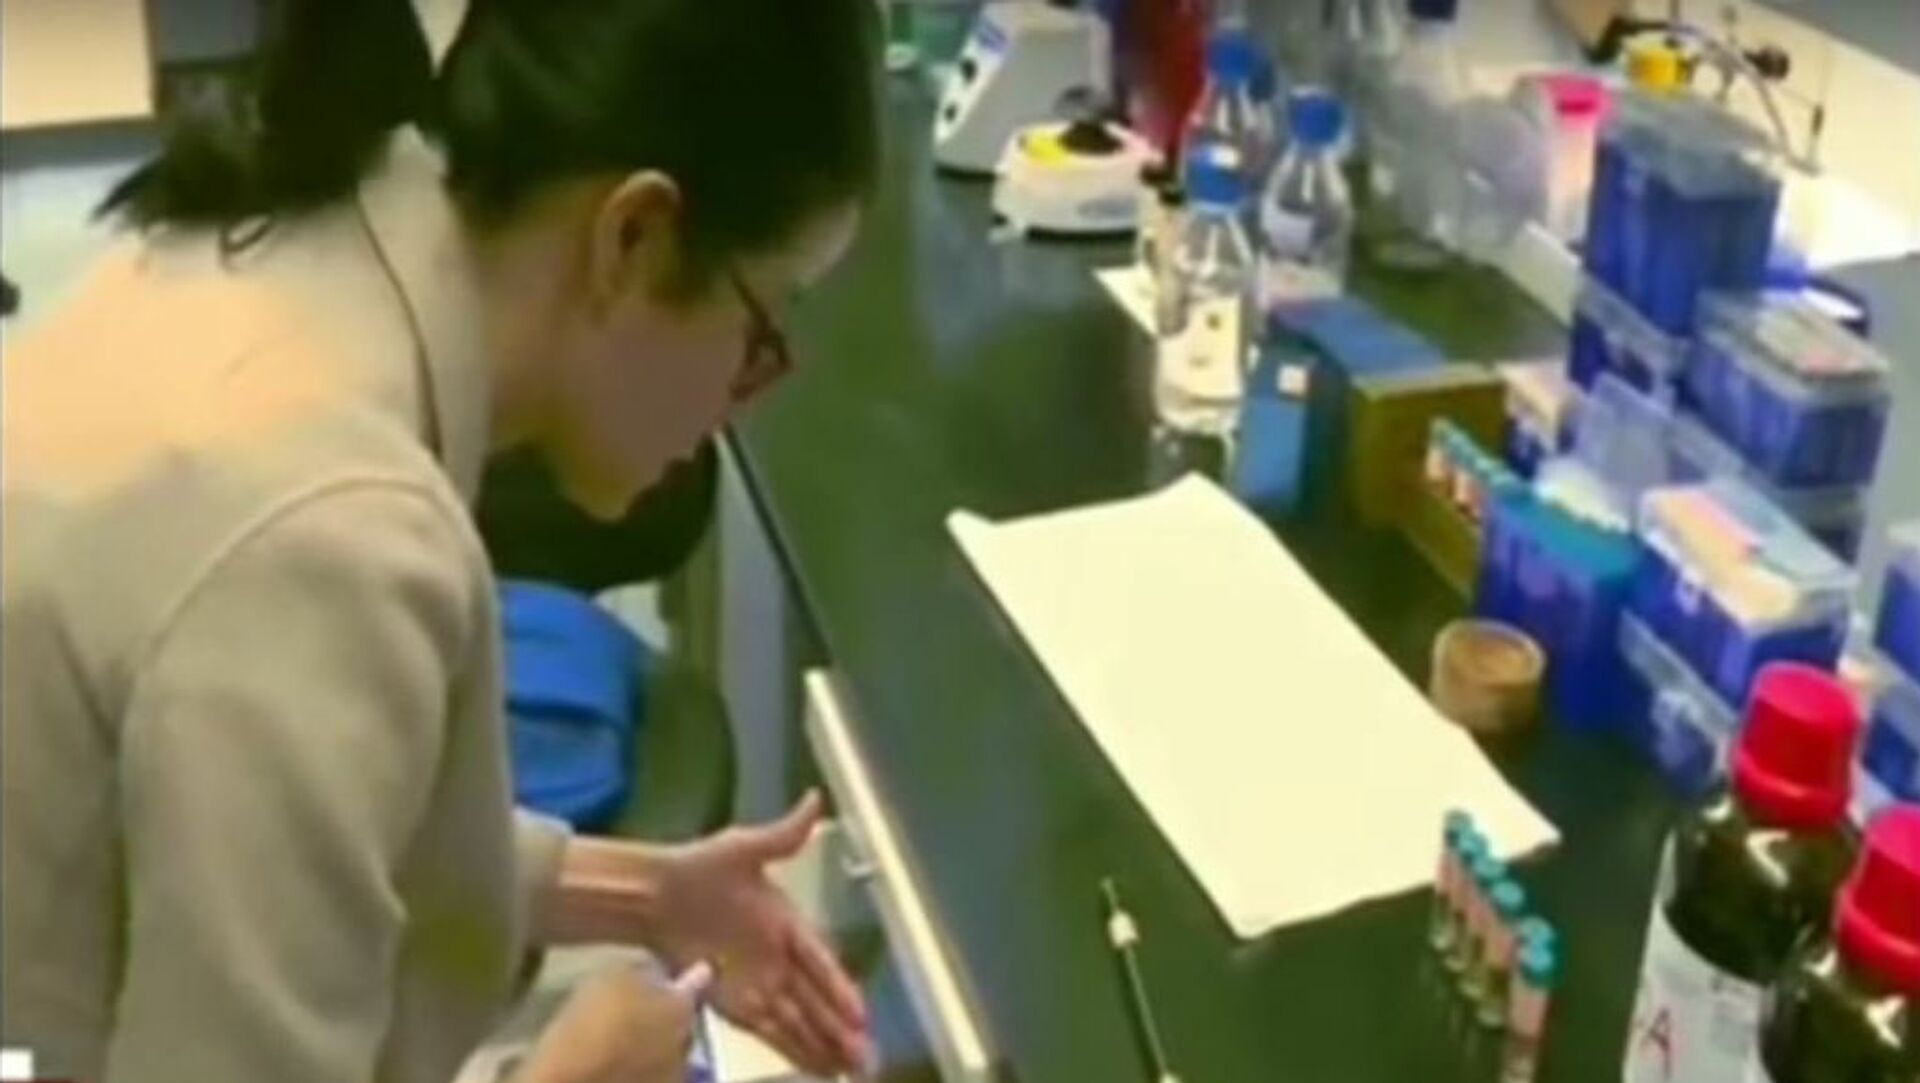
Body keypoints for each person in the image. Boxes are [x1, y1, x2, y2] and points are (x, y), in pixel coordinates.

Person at [0, 0, 879, 1080]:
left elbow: (298, 847)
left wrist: (648, 894)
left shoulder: (304, 235)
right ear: (633, 238)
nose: (745, 395)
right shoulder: (330, 536)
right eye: (763, 324)